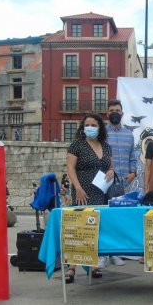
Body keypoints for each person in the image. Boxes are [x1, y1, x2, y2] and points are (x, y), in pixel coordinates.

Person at [65, 113, 115, 283]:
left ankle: (94, 265)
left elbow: (111, 166)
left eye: (94, 125)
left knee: (94, 229)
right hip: (82, 193)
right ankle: (71, 267)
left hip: (99, 193)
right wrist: (78, 188)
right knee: (78, 228)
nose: (90, 128)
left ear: (100, 128)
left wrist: (111, 171)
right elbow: (70, 169)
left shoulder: (106, 146)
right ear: (82, 127)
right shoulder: (77, 145)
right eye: (88, 125)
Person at [104, 99, 136, 266]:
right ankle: (103, 253)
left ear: (122, 113)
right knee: (104, 216)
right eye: (111, 110)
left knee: (117, 218)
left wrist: (133, 173)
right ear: (107, 113)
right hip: (104, 182)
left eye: (117, 110)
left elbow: (133, 157)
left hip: (122, 184)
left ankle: (115, 252)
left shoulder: (129, 134)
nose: (114, 112)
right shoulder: (101, 133)